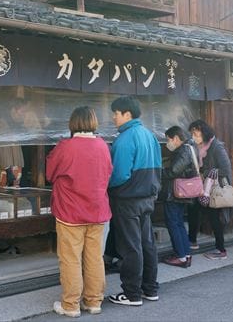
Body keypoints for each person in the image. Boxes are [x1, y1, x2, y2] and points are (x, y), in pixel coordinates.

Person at [46, 106, 113, 317]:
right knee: (95, 258)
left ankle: (71, 305)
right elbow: (109, 173)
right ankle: (94, 302)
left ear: (73, 123)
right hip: (98, 211)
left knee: (70, 258)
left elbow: (50, 173)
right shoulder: (103, 146)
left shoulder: (66, 146)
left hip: (70, 212)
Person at [106, 96, 162, 307]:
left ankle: (131, 293)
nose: (113, 117)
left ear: (127, 114)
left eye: (116, 113)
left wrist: (106, 186)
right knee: (147, 244)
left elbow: (119, 174)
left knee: (130, 247)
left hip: (127, 199)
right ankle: (150, 289)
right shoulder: (150, 135)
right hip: (148, 197)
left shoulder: (125, 138)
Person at [187, 119, 233, 260]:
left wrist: (204, 173)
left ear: (204, 132)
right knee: (193, 210)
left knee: (214, 218)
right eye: (192, 133)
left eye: (196, 133)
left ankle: (221, 249)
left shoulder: (216, 147)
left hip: (213, 188)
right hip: (200, 186)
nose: (194, 136)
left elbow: (225, 169)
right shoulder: (196, 146)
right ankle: (192, 241)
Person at [160, 126, 198, 268]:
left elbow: (173, 171)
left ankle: (181, 257)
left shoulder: (184, 150)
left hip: (175, 194)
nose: (168, 143)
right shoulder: (191, 147)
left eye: (168, 139)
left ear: (176, 138)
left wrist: (158, 171)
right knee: (179, 224)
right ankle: (185, 254)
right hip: (181, 193)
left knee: (173, 224)